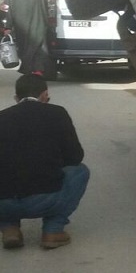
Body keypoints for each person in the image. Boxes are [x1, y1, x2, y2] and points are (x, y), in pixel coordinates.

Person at [0, 73, 89, 250]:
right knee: (80, 171)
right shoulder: (57, 113)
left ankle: (9, 228)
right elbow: (75, 157)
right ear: (45, 94)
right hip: (45, 199)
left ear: (16, 98)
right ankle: (53, 230)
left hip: (3, 204)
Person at [3, 0, 51, 75]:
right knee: (24, 51)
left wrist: (46, 26)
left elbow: (44, 12)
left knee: (39, 51)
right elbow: (10, 11)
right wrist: (8, 27)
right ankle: (28, 73)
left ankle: (38, 72)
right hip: (21, 29)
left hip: (37, 27)